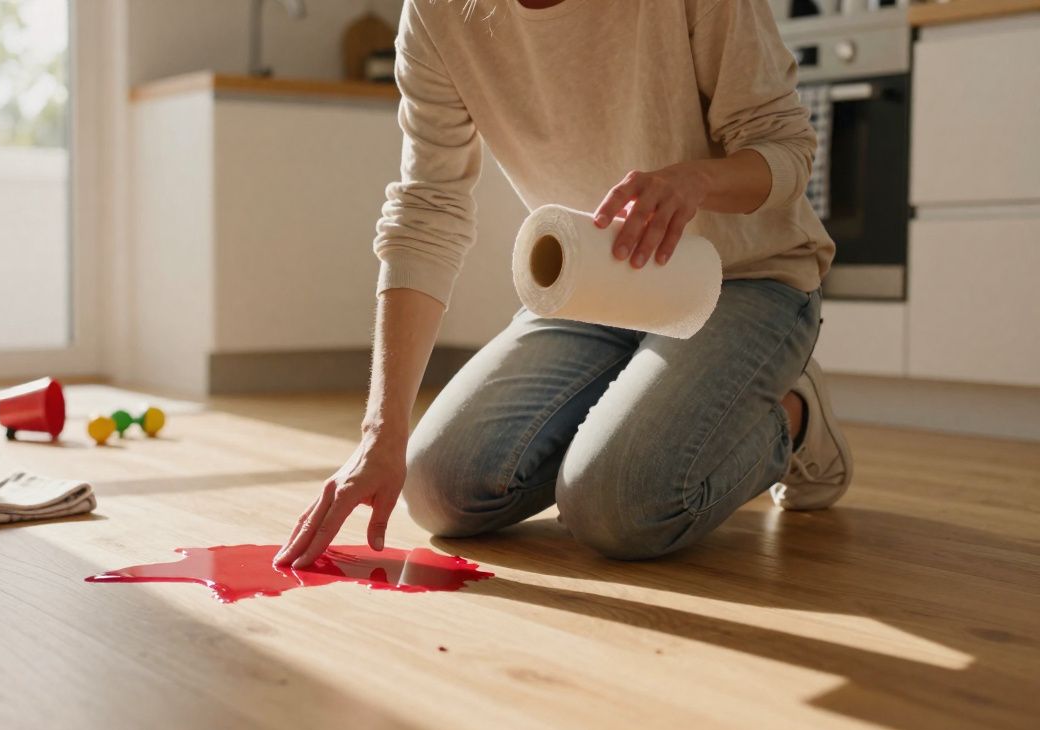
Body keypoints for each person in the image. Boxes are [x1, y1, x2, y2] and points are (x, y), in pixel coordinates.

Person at [274, 0, 853, 569]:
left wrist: (696, 180)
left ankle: (794, 419)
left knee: (618, 508)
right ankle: (641, 416)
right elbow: (429, 210)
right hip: (590, 287)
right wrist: (382, 431)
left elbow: (787, 148)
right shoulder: (438, 10)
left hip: (742, 277)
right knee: (437, 491)